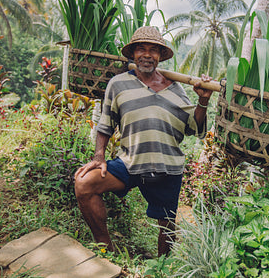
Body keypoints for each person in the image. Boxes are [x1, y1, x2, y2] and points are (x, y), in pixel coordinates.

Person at [74, 26, 212, 257]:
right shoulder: (118, 84)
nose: (147, 55)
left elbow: (194, 127)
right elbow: (106, 123)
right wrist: (99, 156)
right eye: (141, 49)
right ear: (133, 54)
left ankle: (162, 266)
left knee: (166, 225)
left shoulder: (176, 89)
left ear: (159, 56)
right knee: (84, 183)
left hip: (167, 167)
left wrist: (203, 101)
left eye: (153, 50)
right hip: (129, 162)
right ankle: (105, 248)